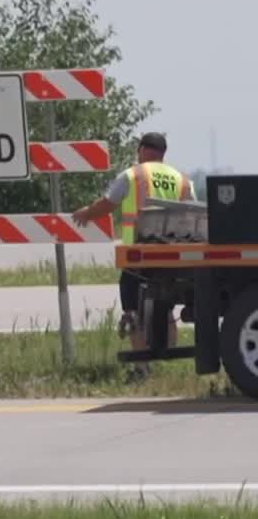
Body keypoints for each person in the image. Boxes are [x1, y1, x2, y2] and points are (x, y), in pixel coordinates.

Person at [71, 132, 195, 379]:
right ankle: (166, 368)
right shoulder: (182, 180)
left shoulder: (132, 175)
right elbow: (192, 214)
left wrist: (86, 213)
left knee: (133, 310)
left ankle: (142, 367)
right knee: (166, 307)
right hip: (171, 257)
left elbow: (108, 203)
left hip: (138, 256)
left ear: (141, 150)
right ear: (163, 154)